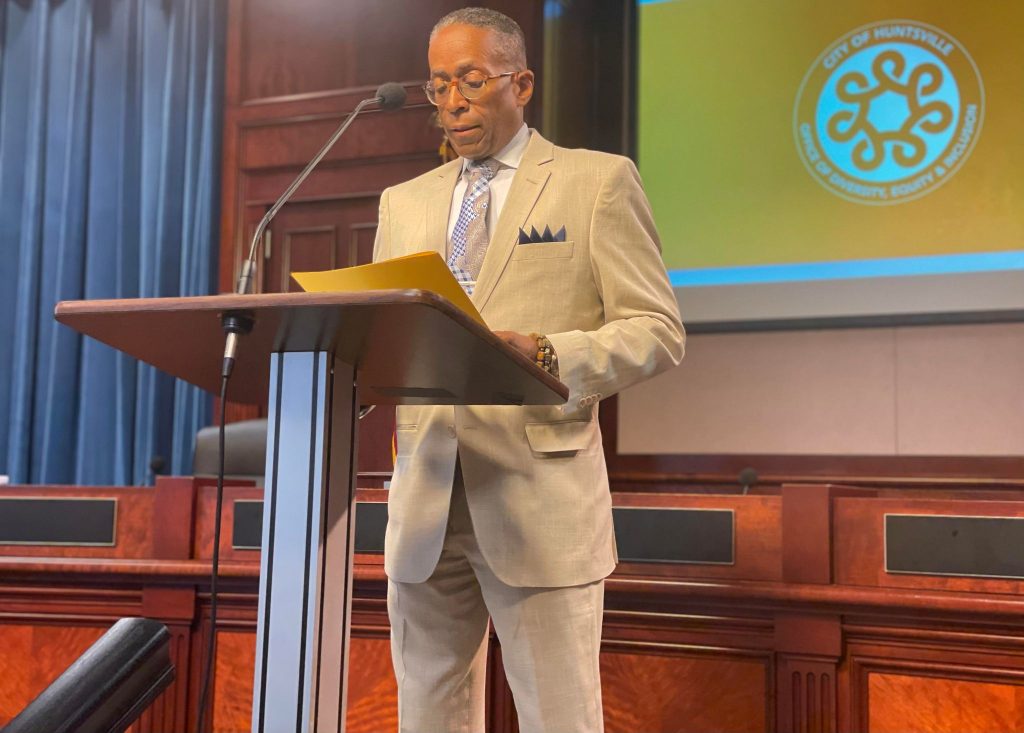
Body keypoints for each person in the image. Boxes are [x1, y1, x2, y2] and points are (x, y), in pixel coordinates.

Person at [372, 7, 685, 732]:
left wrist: (548, 353)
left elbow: (658, 331)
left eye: (471, 80)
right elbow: (388, 331)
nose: (452, 100)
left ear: (522, 83)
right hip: (424, 497)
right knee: (427, 717)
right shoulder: (403, 203)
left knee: (559, 718)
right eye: (438, 86)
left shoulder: (596, 182)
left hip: (537, 492)